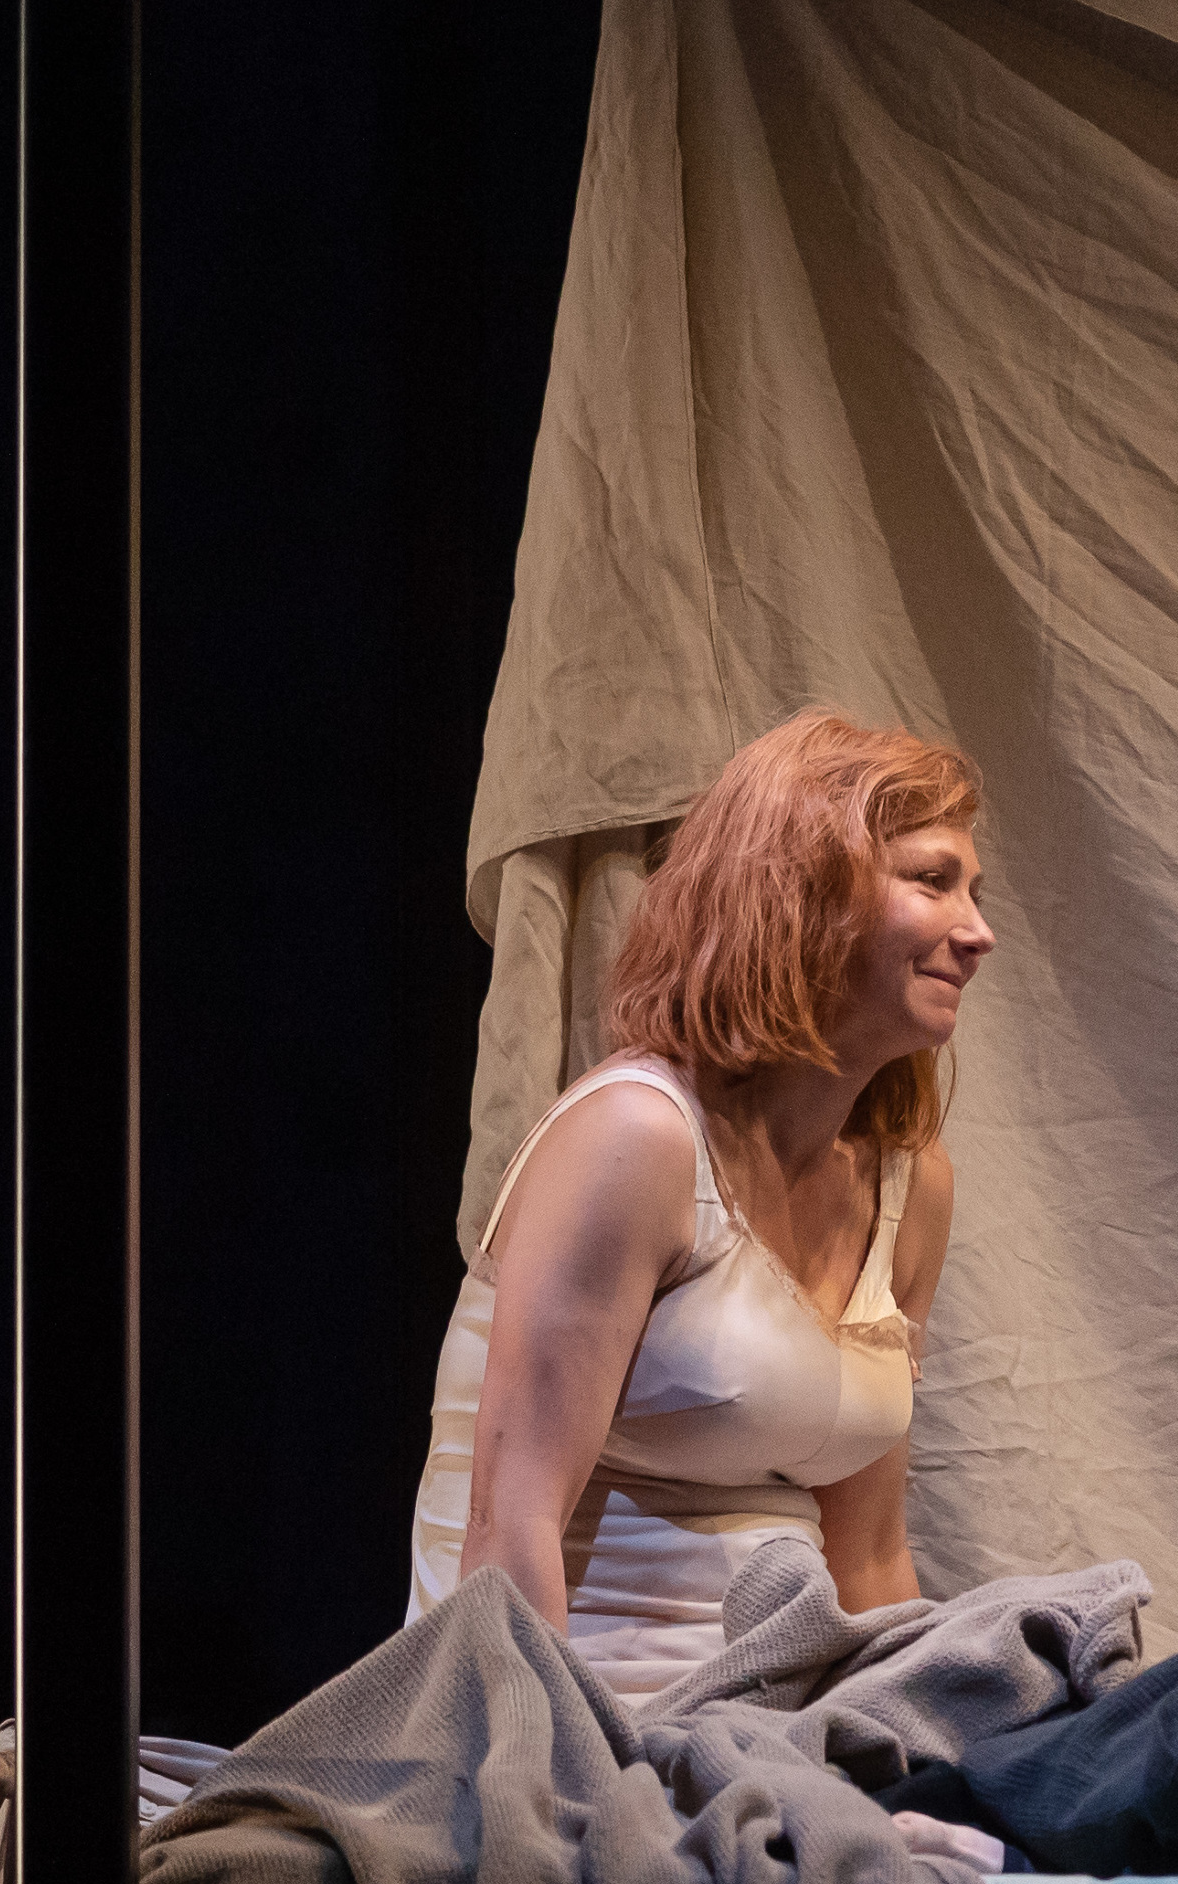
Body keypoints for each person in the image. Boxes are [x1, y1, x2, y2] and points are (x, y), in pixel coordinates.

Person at [405, 708, 992, 1707]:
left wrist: (919, 1744)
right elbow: (508, 1527)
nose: (976, 933)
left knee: (1082, 1681)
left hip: (785, 1729)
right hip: (596, 1722)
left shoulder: (910, 1180)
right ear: (805, 890)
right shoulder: (635, 1138)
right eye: (933, 881)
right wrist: (548, 1776)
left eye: (974, 891)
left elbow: (870, 1561)